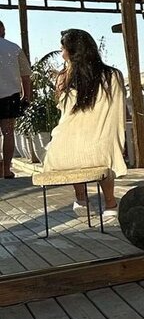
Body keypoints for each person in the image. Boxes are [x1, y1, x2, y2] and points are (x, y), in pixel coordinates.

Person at [42, 29, 126, 223]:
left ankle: (81, 199)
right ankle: (111, 204)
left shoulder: (63, 78)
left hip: (60, 156)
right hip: (99, 151)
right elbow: (115, 113)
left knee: (70, 142)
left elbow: (65, 116)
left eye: (63, 49)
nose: (61, 54)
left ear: (72, 52)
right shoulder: (113, 76)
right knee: (100, 146)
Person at [0, 21, 32, 179]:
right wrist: (26, 96)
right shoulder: (14, 48)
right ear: (2, 30)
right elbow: (26, 76)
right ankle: (6, 170)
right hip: (10, 95)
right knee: (8, 133)